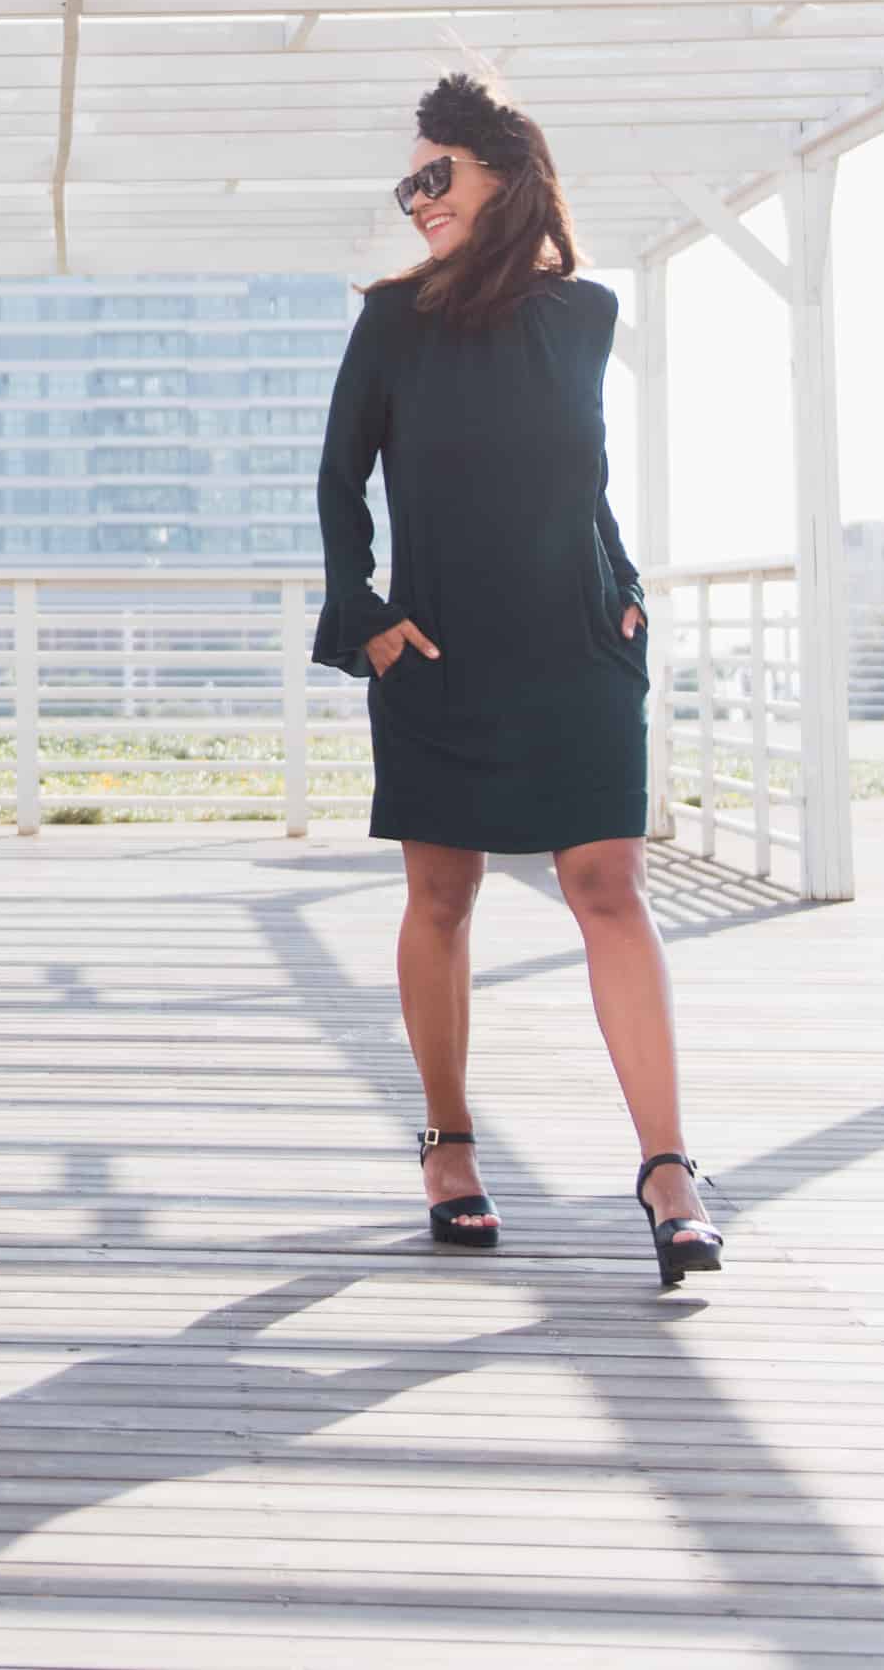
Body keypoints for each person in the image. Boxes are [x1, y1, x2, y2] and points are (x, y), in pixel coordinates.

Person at [313, 71, 726, 1291]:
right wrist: (366, 618)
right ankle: (448, 1144)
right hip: (438, 651)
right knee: (442, 895)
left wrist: (625, 586)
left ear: (506, 171)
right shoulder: (393, 318)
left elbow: (580, 478)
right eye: (408, 186)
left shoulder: (586, 313)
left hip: (578, 646)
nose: (419, 201)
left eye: (436, 176)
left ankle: (668, 1171)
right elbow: (340, 478)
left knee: (610, 887)